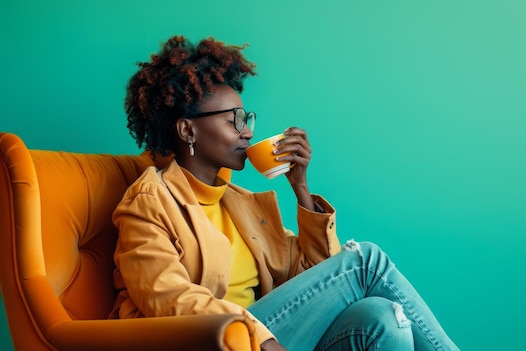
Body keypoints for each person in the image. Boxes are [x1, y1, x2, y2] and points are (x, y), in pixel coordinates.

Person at [109, 35, 459, 351]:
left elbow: (320, 281)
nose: (246, 133)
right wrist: (258, 336)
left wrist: (301, 188)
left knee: (382, 316)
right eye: (234, 119)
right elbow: (170, 300)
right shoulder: (149, 203)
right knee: (365, 260)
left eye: (247, 119)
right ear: (188, 130)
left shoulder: (240, 203)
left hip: (263, 336)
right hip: (215, 341)